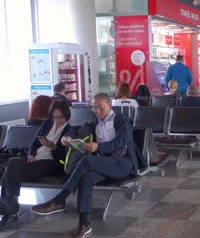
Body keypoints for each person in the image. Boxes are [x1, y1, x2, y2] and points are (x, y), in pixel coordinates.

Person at [31, 93, 140, 238]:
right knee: (85, 179)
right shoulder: (95, 122)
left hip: (121, 164)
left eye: (100, 107)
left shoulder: (121, 120)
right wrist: (66, 137)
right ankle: (84, 225)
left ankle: (60, 199)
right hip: (103, 164)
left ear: (109, 105)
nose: (97, 111)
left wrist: (98, 147)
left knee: (87, 161)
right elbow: (76, 128)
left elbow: (121, 142)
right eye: (94, 108)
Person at [0, 100, 71, 230]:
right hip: (36, 159)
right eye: (54, 117)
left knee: (9, 172)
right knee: (13, 162)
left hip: (51, 163)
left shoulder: (70, 129)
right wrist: (31, 154)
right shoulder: (47, 124)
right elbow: (34, 142)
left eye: (60, 117)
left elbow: (65, 156)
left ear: (66, 115)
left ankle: (10, 209)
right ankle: (10, 205)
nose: (57, 120)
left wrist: (54, 147)